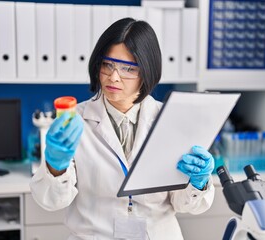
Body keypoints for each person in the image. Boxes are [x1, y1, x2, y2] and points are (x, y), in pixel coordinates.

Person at [30, 18, 215, 240]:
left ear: (147, 71)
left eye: (128, 68)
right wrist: (54, 167)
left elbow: (187, 205)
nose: (113, 77)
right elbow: (50, 201)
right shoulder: (74, 121)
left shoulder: (171, 120)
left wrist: (199, 182)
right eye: (108, 64)